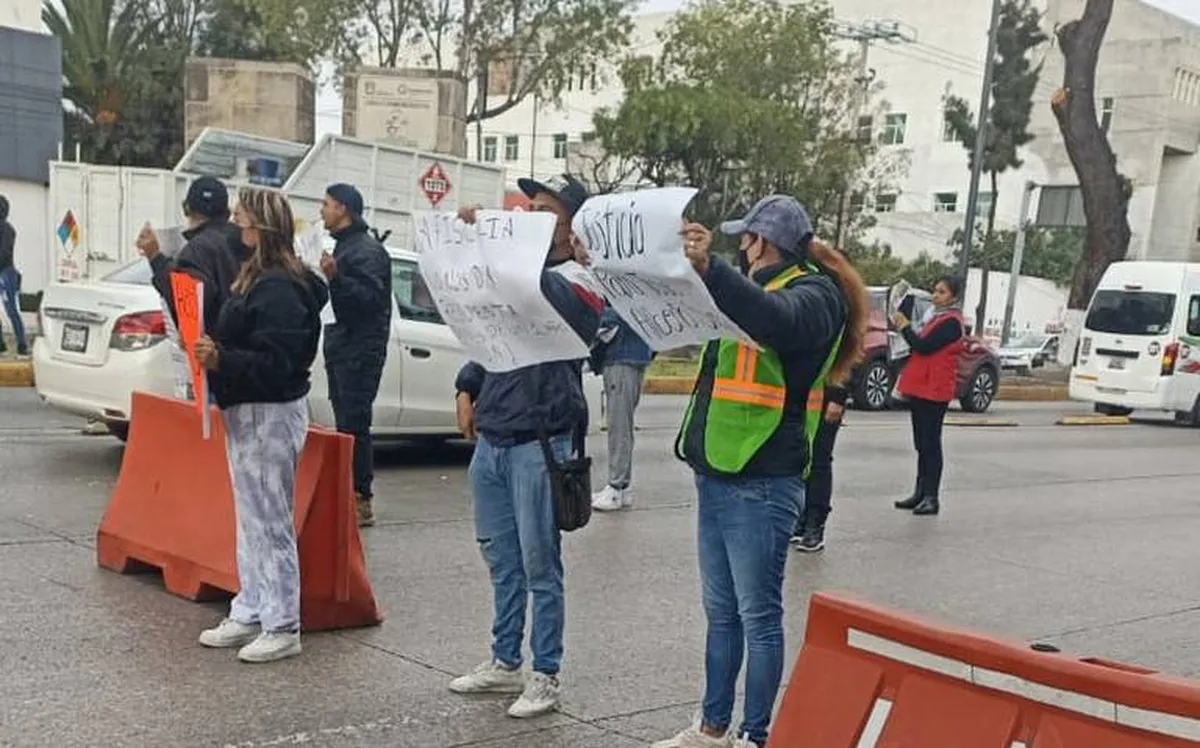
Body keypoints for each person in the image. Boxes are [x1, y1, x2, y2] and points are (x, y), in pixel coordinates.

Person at [655, 195, 868, 748]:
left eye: (744, 238)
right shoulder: (753, 288)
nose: (740, 248)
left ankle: (755, 735)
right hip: (719, 468)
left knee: (758, 617)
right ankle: (712, 728)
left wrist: (714, 270)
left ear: (761, 241)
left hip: (764, 478)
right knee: (721, 614)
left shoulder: (815, 294)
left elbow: (777, 322)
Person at [449, 174, 602, 719]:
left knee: (541, 564)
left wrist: (501, 246)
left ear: (572, 226)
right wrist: (467, 385)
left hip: (541, 441)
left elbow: (559, 309)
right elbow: (489, 332)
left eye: (546, 211)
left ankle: (545, 673)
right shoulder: (514, 268)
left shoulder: (581, 278)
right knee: (501, 559)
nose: (532, 216)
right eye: (529, 207)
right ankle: (504, 659)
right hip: (494, 438)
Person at [194, 187, 328, 664]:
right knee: (252, 519)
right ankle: (252, 607)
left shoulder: (278, 287)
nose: (234, 226)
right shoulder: (258, 276)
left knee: (270, 521)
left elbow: (278, 362)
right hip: (248, 410)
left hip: (268, 411)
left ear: (260, 227)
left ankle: (282, 622)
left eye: (241, 218)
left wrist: (222, 358)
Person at [319, 183, 392, 528]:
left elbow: (368, 301)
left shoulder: (366, 250)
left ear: (343, 209)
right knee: (345, 423)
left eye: (327, 204)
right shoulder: (345, 246)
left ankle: (361, 497)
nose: (322, 210)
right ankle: (348, 492)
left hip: (359, 349)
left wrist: (336, 278)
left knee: (354, 423)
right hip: (341, 345)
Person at [137, 177, 246, 399]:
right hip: (245, 361)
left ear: (187, 209)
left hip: (215, 361)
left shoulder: (197, 249)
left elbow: (189, 305)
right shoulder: (246, 241)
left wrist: (156, 258)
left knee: (214, 420)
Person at [891, 275, 966, 516]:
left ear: (953, 297)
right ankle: (920, 492)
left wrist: (905, 327)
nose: (936, 296)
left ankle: (931, 497)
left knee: (931, 443)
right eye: (935, 291)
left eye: (942, 292)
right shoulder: (933, 317)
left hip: (935, 388)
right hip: (921, 385)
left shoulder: (951, 322)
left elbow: (923, 346)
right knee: (921, 442)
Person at [590, 308, 653, 512]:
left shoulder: (616, 303)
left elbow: (608, 327)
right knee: (622, 425)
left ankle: (616, 487)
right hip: (633, 356)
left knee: (618, 426)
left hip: (621, 358)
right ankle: (622, 486)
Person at [790, 381, 848, 552]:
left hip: (827, 396)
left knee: (819, 461)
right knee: (802, 459)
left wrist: (838, 398)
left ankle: (815, 524)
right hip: (802, 397)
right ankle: (803, 519)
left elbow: (847, 366)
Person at [0, 196, 29, 357]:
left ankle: (22, 346)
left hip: (5, 272)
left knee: (11, 310)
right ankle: (1, 346)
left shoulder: (7, 229)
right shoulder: (8, 228)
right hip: (5, 272)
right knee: (11, 310)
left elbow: (4, 252)